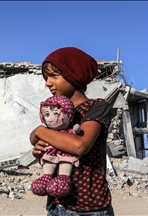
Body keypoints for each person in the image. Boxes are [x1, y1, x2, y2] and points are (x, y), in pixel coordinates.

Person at [30, 47, 114, 215]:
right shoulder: (56, 113)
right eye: (46, 78)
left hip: (89, 209)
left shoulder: (97, 107)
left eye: (54, 76)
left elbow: (79, 146)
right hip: (57, 205)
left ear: (74, 76)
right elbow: (51, 143)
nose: (48, 83)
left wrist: (39, 131)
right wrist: (40, 148)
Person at [30, 95, 81, 198]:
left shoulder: (97, 108)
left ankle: (63, 178)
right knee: (48, 162)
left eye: (56, 114)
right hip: (51, 153)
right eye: (47, 114)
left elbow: (79, 146)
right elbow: (33, 138)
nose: (50, 119)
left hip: (66, 155)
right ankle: (46, 178)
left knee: (66, 162)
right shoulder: (46, 132)